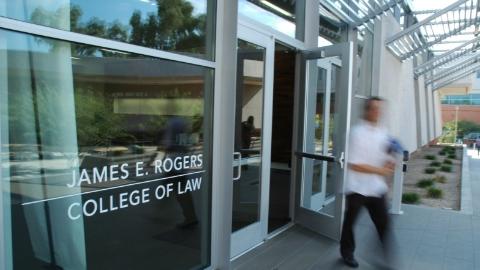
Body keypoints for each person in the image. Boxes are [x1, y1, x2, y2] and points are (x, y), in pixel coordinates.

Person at [340, 97, 395, 268]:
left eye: (380, 109)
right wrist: (380, 170)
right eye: (375, 109)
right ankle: (347, 253)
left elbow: (387, 155)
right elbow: (354, 164)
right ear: (367, 110)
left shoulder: (383, 132)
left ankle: (385, 257)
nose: (378, 112)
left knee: (384, 223)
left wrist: (389, 162)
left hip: (376, 187)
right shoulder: (356, 133)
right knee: (350, 222)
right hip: (356, 187)